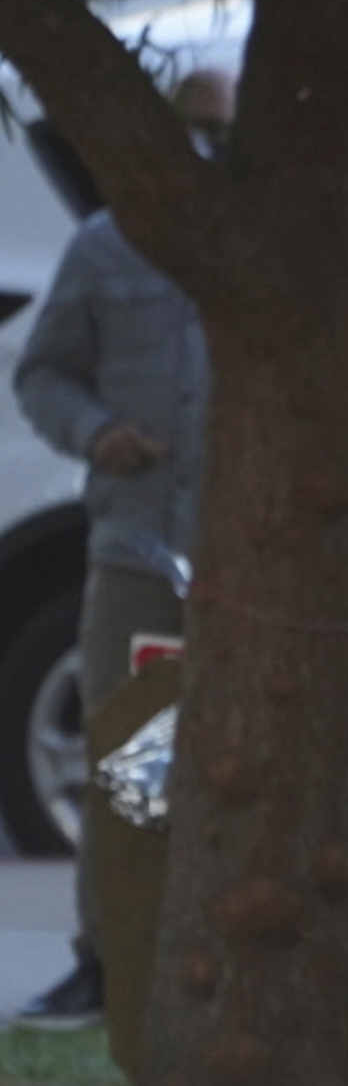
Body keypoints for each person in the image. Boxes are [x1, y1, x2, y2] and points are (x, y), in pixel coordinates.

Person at [11, 65, 230, 1031]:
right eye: (188, 133)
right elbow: (43, 373)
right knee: (125, 755)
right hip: (137, 543)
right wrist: (99, 433)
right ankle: (106, 956)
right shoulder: (107, 250)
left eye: (220, 134)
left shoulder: (275, 251)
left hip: (247, 553)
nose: (203, 153)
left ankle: (232, 961)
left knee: (248, 755)